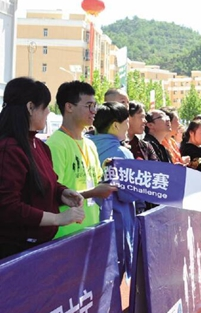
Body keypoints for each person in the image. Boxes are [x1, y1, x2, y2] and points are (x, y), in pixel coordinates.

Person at [0, 77, 84, 259]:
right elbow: (7, 207)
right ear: (30, 107)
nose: (48, 112)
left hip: (38, 249)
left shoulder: (39, 145)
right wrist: (57, 218)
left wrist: (61, 193)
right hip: (15, 254)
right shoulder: (9, 149)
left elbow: (44, 182)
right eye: (45, 107)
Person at [46, 81, 117, 238]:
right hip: (65, 234)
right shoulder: (56, 144)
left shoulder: (90, 144)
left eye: (95, 105)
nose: (94, 111)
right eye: (89, 106)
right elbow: (52, 195)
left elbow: (97, 181)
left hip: (90, 229)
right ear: (69, 107)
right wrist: (93, 192)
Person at [88, 102, 137, 276]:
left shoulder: (86, 146)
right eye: (126, 123)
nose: (128, 128)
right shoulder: (122, 153)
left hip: (88, 219)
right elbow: (130, 193)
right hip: (117, 222)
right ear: (116, 125)